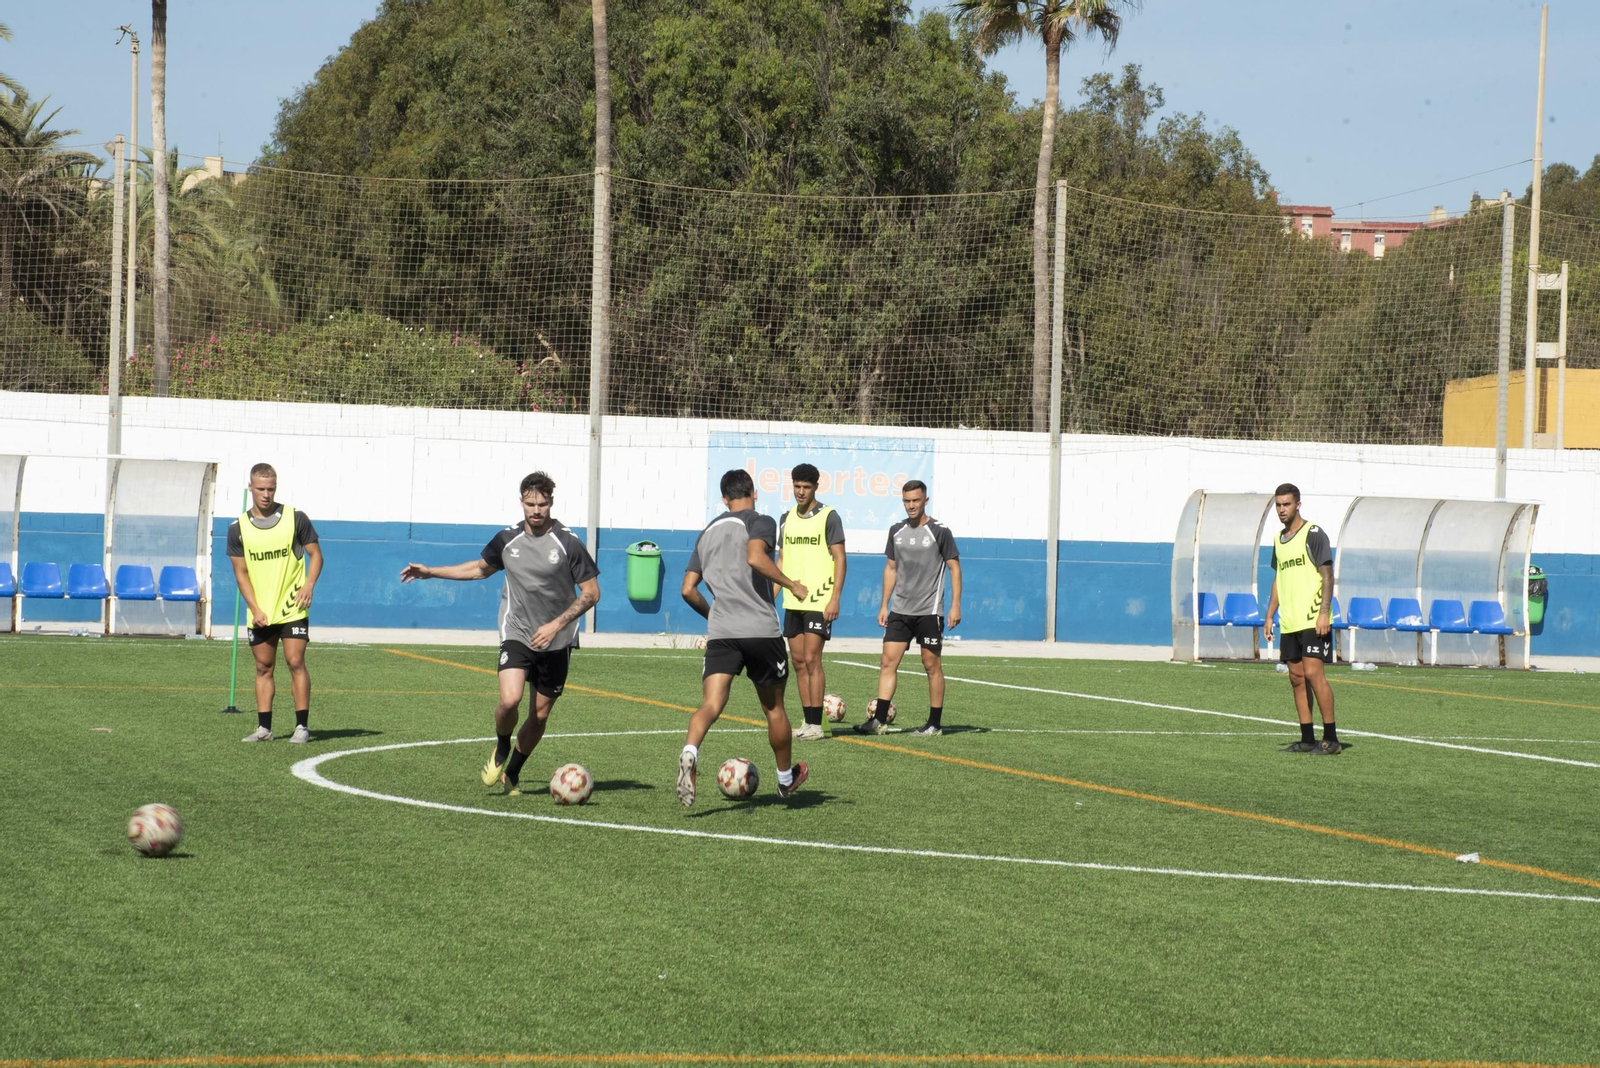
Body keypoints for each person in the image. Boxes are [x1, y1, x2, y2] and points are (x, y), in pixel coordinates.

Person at [399, 471, 600, 792]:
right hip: (517, 631)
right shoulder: (508, 540)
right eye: (530, 503)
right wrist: (431, 572)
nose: (536, 510)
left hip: (557, 640)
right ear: (521, 501)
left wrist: (555, 625)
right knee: (510, 700)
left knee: (539, 715)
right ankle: (503, 745)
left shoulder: (568, 543)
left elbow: (591, 593)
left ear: (552, 504)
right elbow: (479, 569)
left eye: (543, 504)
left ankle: (514, 773)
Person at [676, 468, 812, 807]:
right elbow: (755, 557)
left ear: (724, 498)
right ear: (753, 492)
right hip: (760, 631)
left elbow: (688, 589)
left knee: (711, 704)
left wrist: (714, 616)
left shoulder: (707, 532)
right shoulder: (760, 520)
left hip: (722, 633)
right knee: (774, 708)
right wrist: (792, 584)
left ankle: (690, 751)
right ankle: (785, 779)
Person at [227, 462, 323, 744]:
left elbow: (316, 555)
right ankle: (264, 729)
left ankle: (302, 727)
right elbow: (240, 574)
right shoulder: (238, 528)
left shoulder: (296, 518)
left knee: (295, 661)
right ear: (251, 488)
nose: (266, 494)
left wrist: (308, 584)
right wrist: (255, 608)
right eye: (260, 489)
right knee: (263, 668)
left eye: (271, 489)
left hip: (293, 606)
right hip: (261, 612)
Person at [856, 480, 960, 737]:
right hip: (900, 610)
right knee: (887, 662)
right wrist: (884, 605)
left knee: (931, 665)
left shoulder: (940, 531)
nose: (911, 505)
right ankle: (878, 721)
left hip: (929, 611)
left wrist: (955, 605)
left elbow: (954, 568)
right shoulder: (896, 530)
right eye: (907, 501)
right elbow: (891, 569)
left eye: (916, 500)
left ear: (925, 500)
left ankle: (934, 724)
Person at [1262, 482, 1340, 755]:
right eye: (1278, 505)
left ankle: (1331, 738)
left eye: (1287, 504)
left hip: (1312, 618)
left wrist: (1323, 614)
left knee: (1313, 674)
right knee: (1296, 677)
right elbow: (1279, 578)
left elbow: (1327, 575)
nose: (1282, 509)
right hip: (1289, 620)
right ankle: (1307, 738)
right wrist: (1269, 615)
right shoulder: (1278, 539)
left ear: (1298, 504)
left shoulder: (1314, 534)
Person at [776, 463, 846, 741]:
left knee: (812, 659)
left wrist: (835, 599)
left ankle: (818, 724)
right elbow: (781, 561)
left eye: (806, 487)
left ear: (816, 486)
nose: (800, 492)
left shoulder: (829, 516)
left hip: (819, 600)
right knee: (797, 662)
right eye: (797, 486)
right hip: (792, 601)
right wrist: (769, 598)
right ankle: (808, 721)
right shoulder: (786, 518)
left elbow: (840, 558)